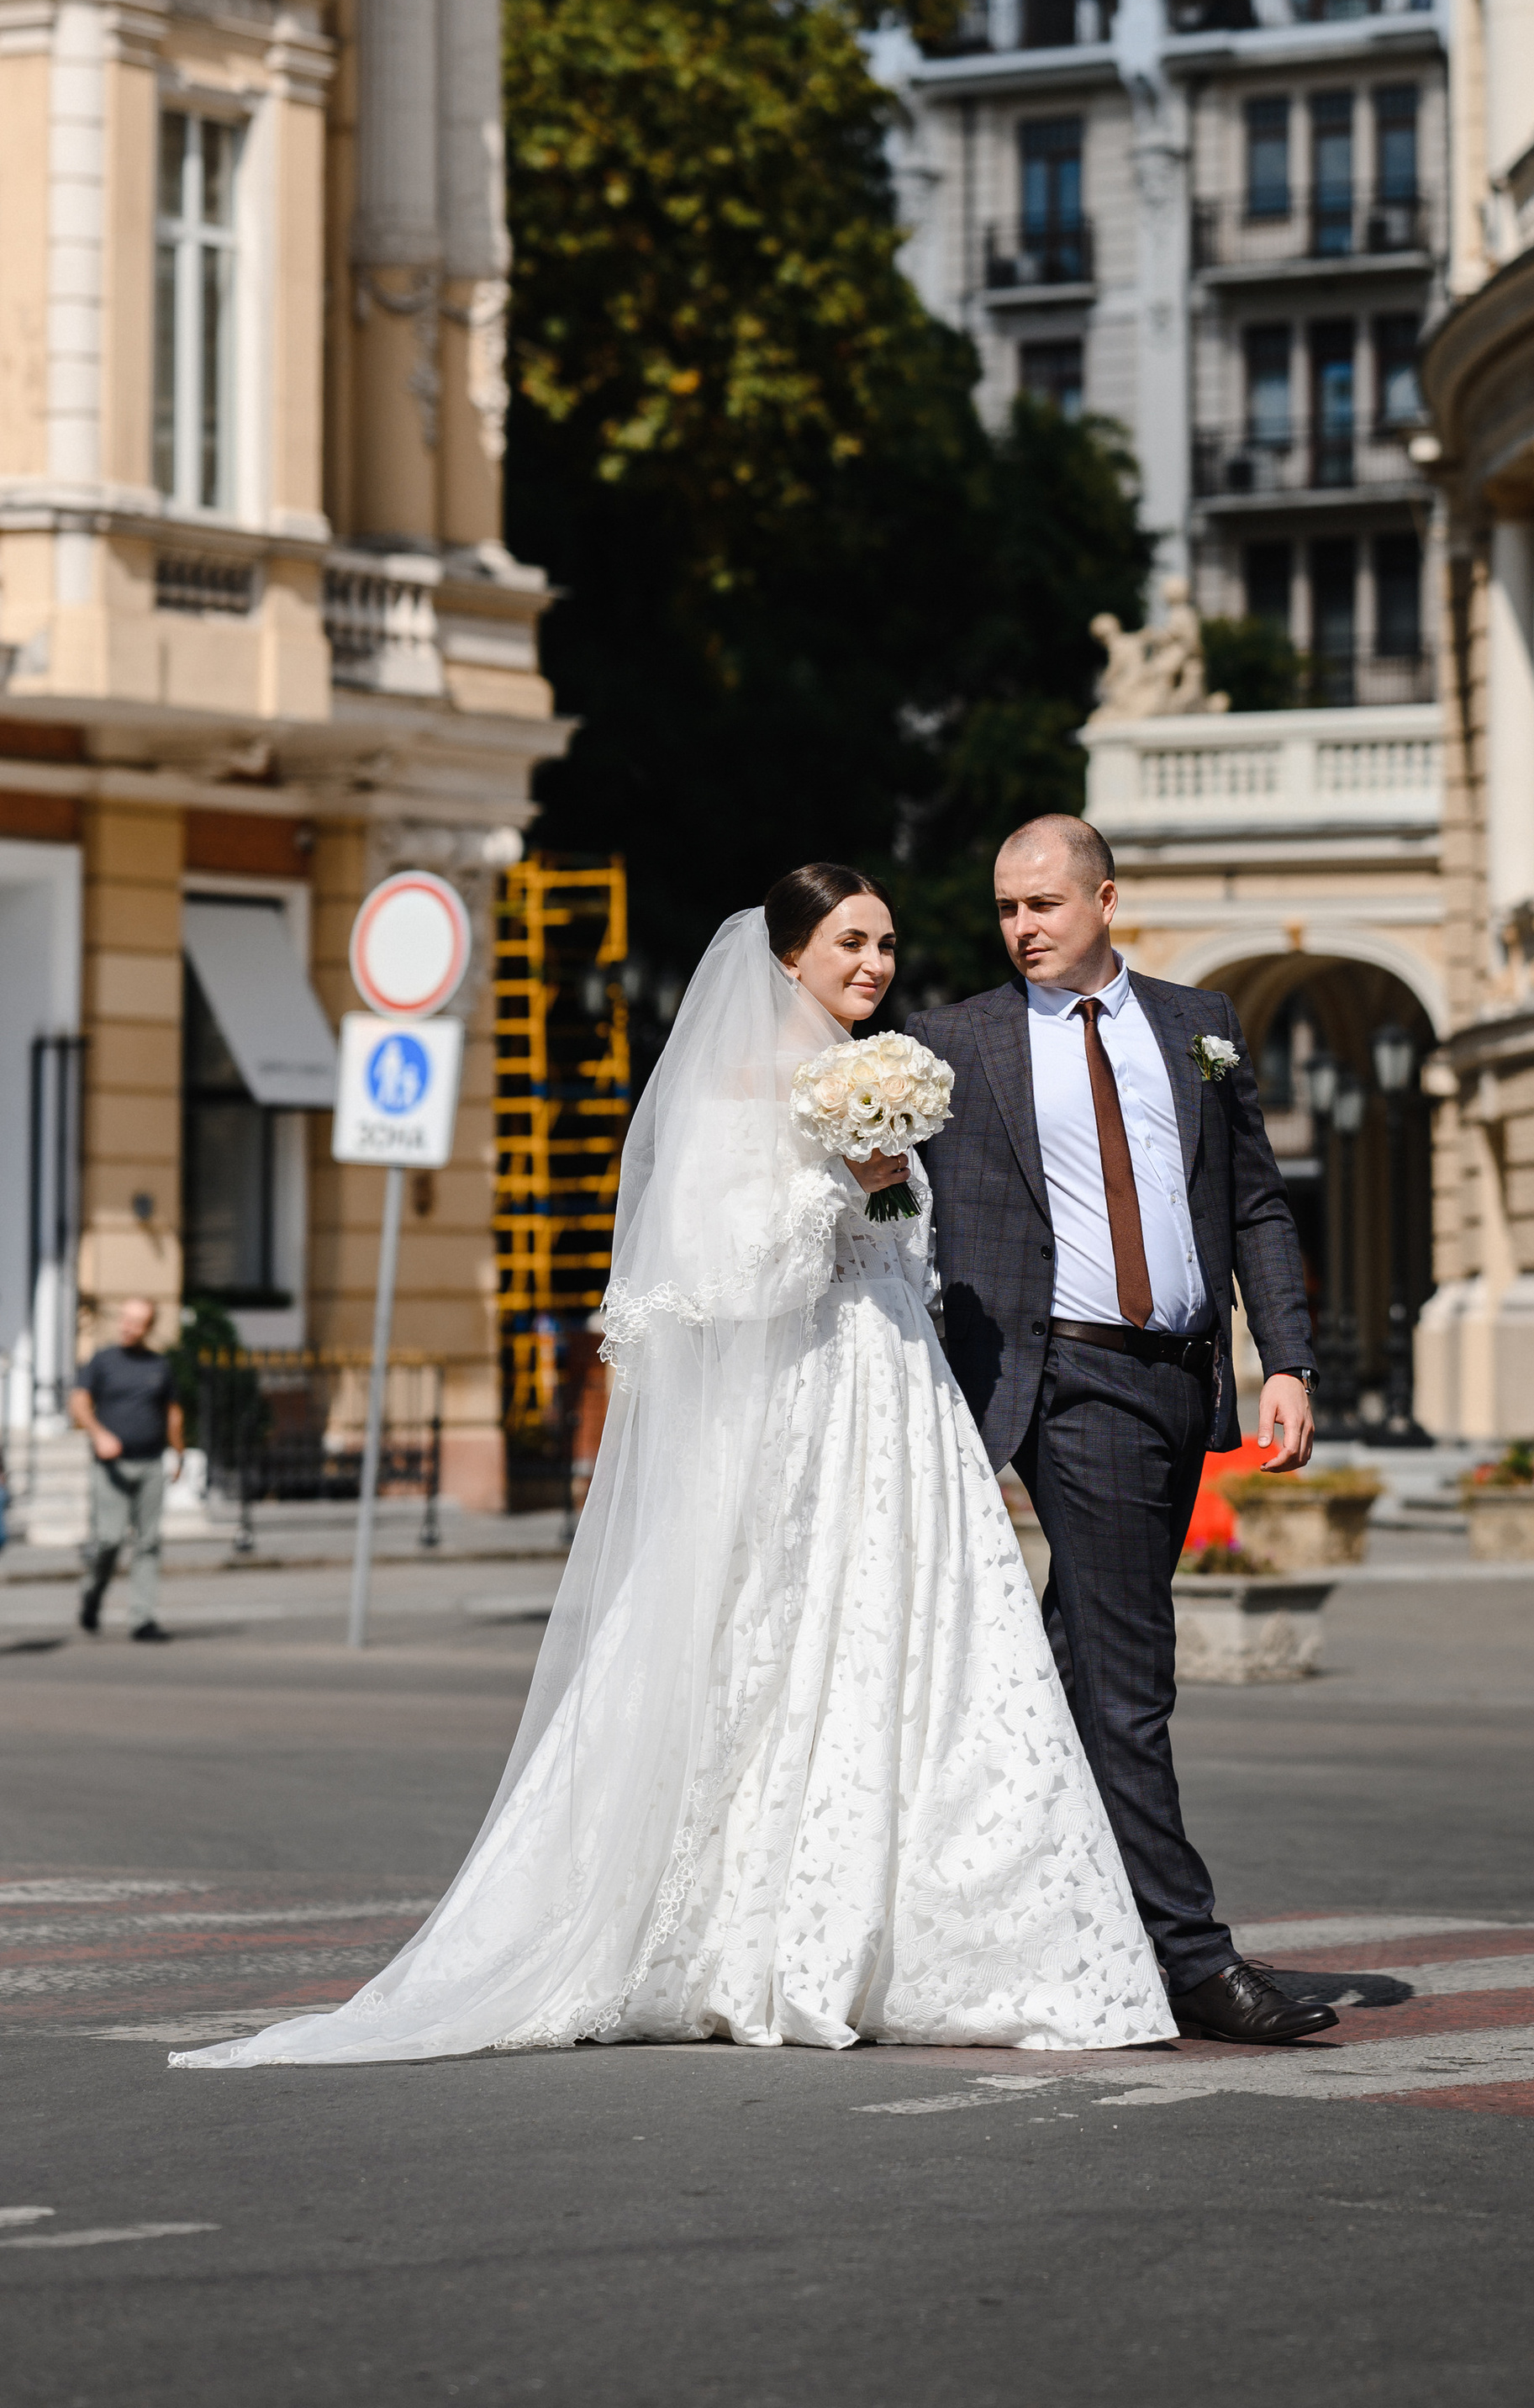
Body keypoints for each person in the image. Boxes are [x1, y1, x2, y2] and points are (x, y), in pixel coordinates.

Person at [176, 867, 1173, 2072]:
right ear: (789, 955)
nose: (873, 963)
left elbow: (908, 1260)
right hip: (794, 1396)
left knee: (920, 1649)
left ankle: (936, 1934)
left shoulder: (881, 1070)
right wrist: (841, 1182)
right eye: (850, 942)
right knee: (760, 1645)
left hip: (892, 1393)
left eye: (888, 943)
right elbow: (721, 1272)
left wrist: (883, 1184)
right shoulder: (731, 1085)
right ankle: (726, 1930)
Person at [907, 812, 1337, 2047]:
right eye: (1006, 908)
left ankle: (1028, 1914)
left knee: (1078, 1669)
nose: (1023, 926)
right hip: (1066, 1379)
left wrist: (1287, 1359)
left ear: (1106, 898)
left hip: (1182, 1377)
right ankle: (1192, 1954)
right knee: (1133, 1674)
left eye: (1044, 902)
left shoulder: (1199, 1023)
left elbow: (1254, 1199)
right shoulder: (956, 1041)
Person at [71, 1297, 183, 1644]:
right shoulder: (103, 1361)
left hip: (150, 1461)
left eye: (137, 1322)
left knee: (148, 1542)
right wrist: (99, 1433)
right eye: (126, 1319)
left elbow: (173, 1412)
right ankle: (92, 1595)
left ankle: (142, 1619)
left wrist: (178, 1453)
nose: (129, 1326)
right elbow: (78, 1401)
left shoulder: (159, 1366)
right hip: (111, 1466)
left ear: (149, 1327)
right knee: (109, 1539)